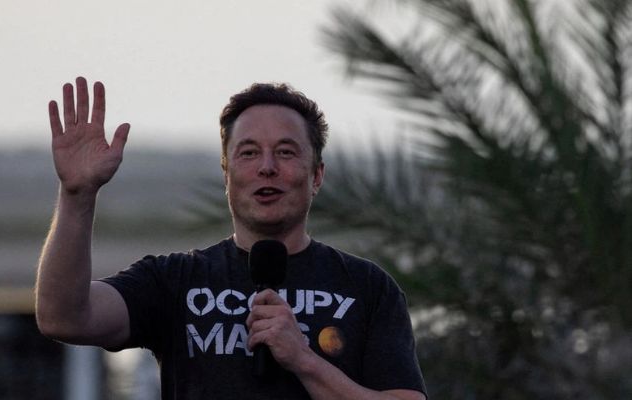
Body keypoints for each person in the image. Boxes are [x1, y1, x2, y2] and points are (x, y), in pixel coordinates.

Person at [35, 76, 427, 400]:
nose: (267, 168)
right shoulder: (175, 280)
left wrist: (304, 359)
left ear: (317, 175)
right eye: (249, 153)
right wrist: (77, 195)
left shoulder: (367, 287)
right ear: (226, 174)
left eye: (286, 153)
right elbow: (62, 316)